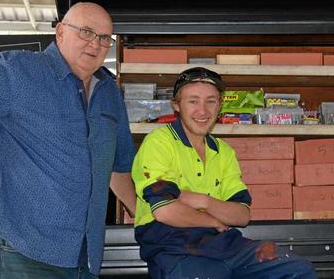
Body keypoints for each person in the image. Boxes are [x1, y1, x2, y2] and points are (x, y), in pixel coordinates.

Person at [0, 2, 137, 278]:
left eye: (104, 38)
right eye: (86, 32)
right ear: (60, 32)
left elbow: (117, 167)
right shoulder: (18, 70)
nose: (95, 44)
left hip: (83, 257)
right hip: (22, 250)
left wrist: (146, 218)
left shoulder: (109, 93)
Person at [132, 67, 317, 279]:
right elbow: (165, 212)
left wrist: (202, 201)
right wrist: (214, 221)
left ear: (220, 105)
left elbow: (241, 215)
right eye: (193, 101)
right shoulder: (159, 142)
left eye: (211, 101)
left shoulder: (223, 151)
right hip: (174, 246)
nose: (203, 111)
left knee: (297, 270)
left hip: (222, 245)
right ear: (176, 105)